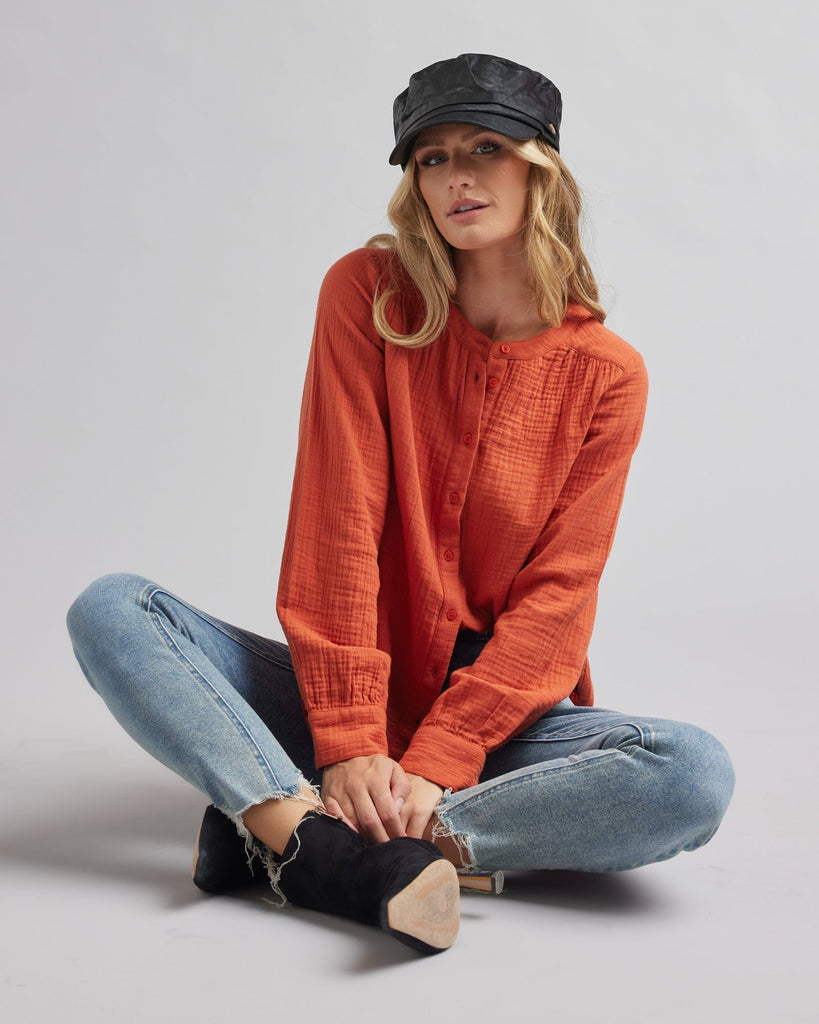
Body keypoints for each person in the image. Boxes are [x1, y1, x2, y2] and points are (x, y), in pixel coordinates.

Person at [66, 53, 734, 955]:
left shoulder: (607, 376)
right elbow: (335, 521)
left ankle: (285, 825)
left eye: (484, 148)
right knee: (113, 609)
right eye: (430, 157)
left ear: (539, 165)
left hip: (495, 728)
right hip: (340, 693)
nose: (455, 176)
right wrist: (346, 738)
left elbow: (557, 604)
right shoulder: (369, 295)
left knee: (690, 775)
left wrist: (440, 759)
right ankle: (322, 850)